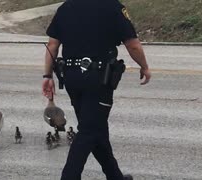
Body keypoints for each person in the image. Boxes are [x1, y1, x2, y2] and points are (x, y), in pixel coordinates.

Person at [42, 0, 151, 179]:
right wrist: (144, 66)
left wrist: (47, 76)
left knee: (96, 128)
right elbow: (132, 44)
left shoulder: (67, 7)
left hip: (71, 77)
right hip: (97, 79)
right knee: (89, 131)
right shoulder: (113, 7)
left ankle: (114, 176)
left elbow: (53, 45)